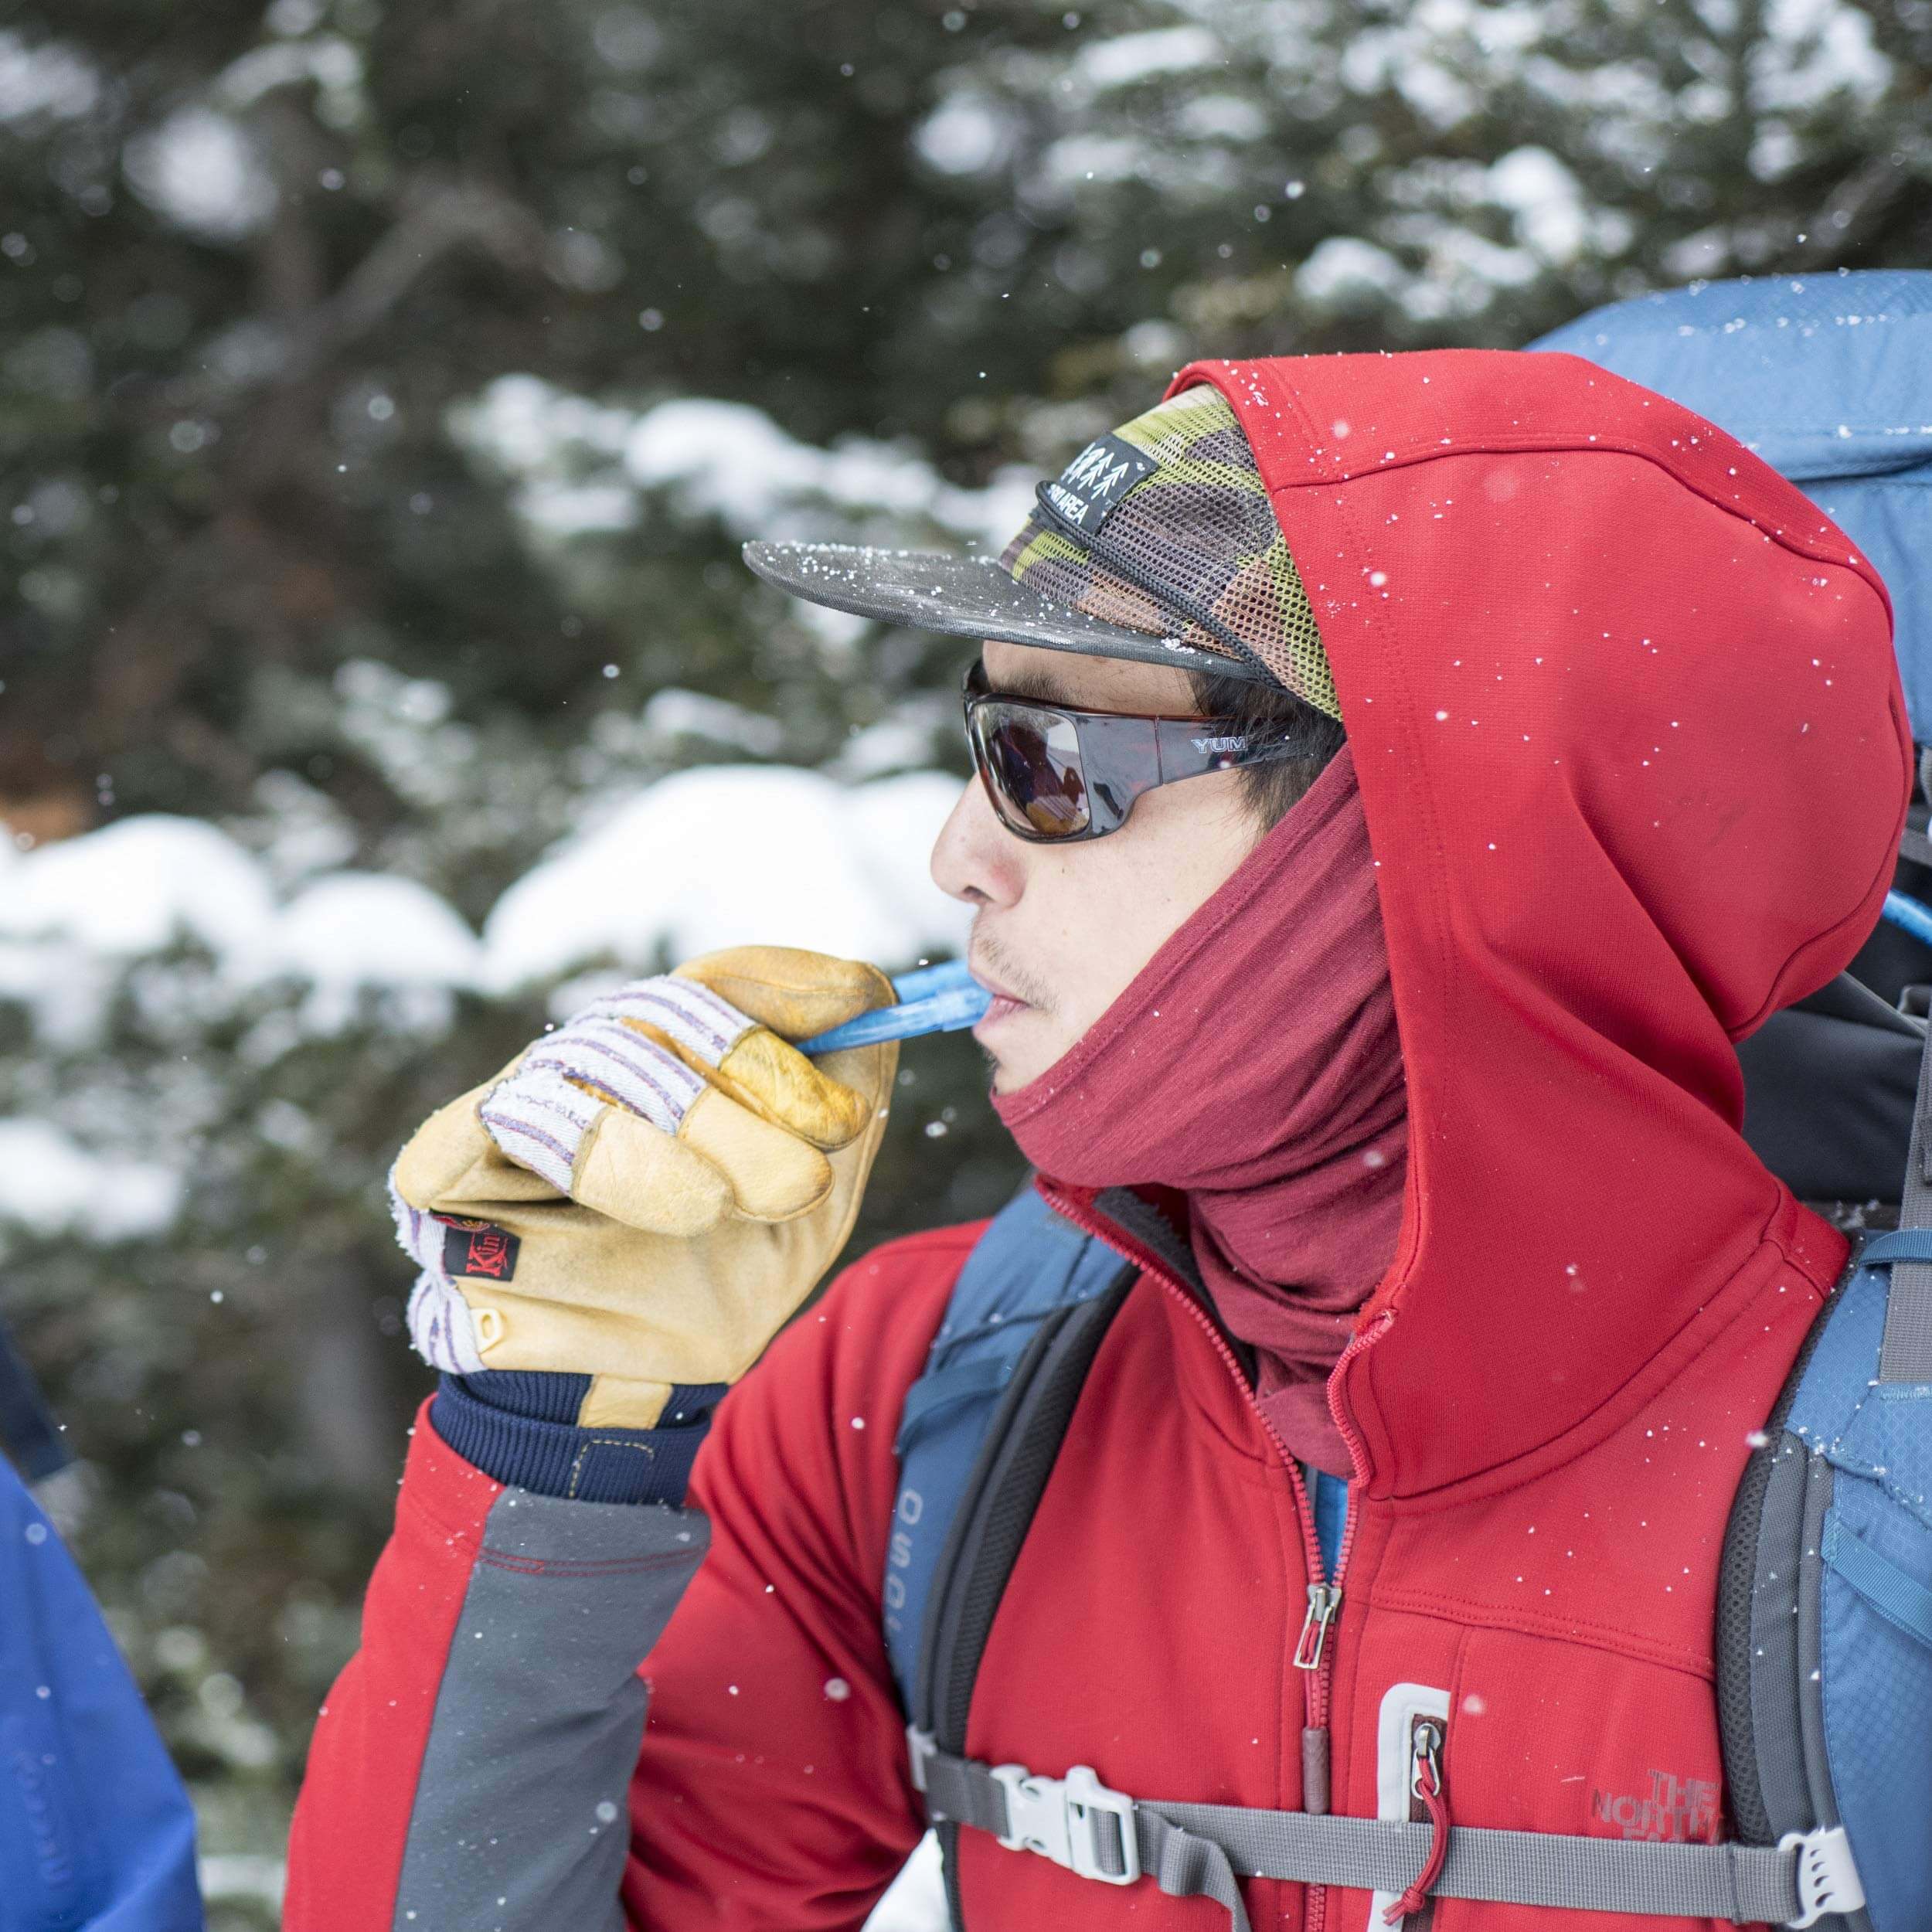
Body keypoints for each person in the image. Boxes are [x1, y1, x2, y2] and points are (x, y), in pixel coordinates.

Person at [284, 349, 1906, 1930]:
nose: (953, 853)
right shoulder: (929, 1390)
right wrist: (562, 1431)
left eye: (1049, 768)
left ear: (1427, 843)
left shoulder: (1885, 1487)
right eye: (975, 737)